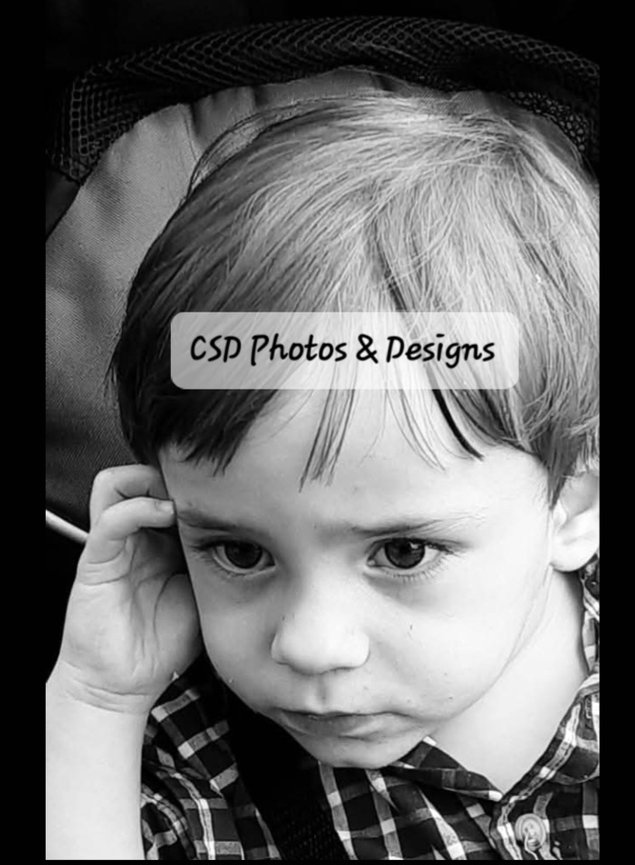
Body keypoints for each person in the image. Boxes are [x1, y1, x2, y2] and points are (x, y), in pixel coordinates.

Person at [46, 90, 599, 860]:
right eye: (239, 551)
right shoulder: (191, 754)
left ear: (573, 501)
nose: (310, 644)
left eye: (402, 551)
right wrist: (95, 700)